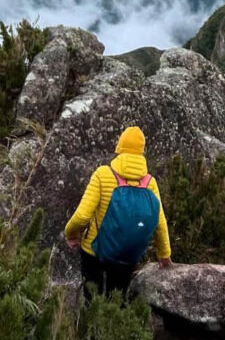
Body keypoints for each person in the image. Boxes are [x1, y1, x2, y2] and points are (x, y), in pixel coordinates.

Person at [64, 126, 172, 299]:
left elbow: (83, 215)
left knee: (92, 301)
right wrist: (164, 254)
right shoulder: (150, 182)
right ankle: (113, 325)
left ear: (119, 148)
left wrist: (71, 233)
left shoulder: (103, 174)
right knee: (117, 303)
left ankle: (91, 325)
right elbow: (160, 222)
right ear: (142, 153)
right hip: (127, 254)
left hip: (94, 251)